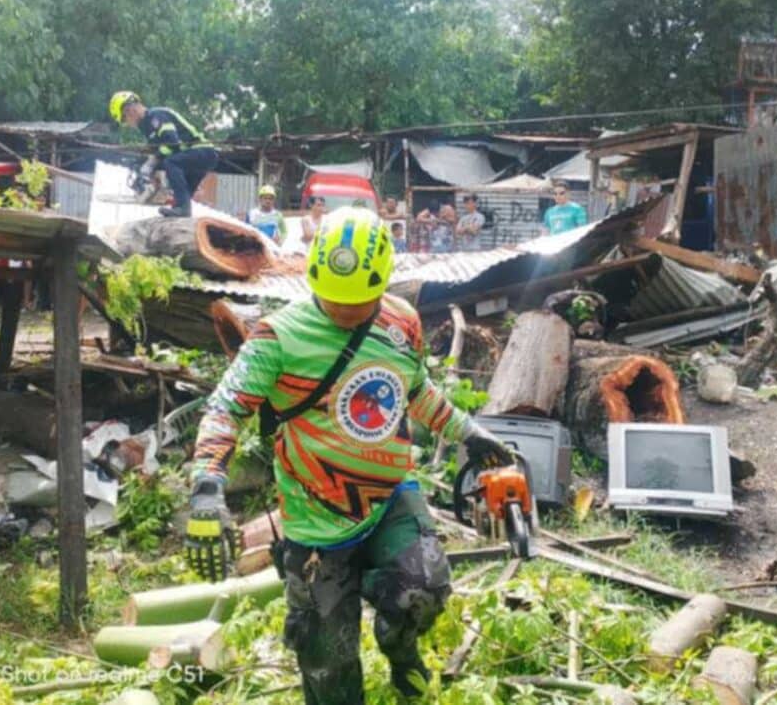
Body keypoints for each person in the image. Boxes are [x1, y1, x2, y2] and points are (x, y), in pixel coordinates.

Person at [186, 208, 511, 704]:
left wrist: (469, 432)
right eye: (335, 299)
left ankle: (401, 653)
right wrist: (207, 484)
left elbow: (416, 389)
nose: (344, 310)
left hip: (389, 497)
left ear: (383, 283)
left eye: (358, 301)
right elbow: (225, 408)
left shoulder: (401, 322)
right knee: (329, 669)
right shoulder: (278, 338)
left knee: (422, 592)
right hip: (316, 522)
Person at [109, 91, 218, 218]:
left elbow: (172, 143)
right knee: (182, 195)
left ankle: (183, 209)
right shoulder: (145, 126)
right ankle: (181, 210)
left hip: (202, 151)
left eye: (124, 119)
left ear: (129, 110)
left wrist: (152, 163)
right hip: (190, 156)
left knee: (171, 163)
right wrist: (151, 168)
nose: (127, 124)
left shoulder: (156, 116)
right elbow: (161, 150)